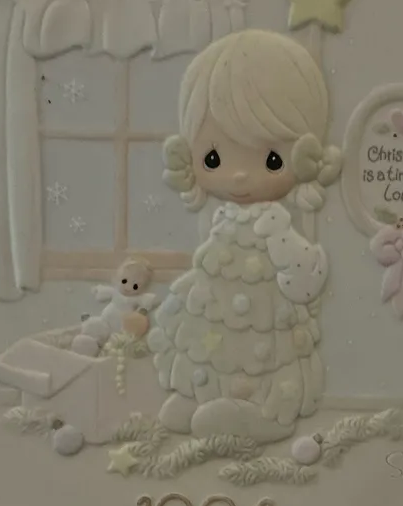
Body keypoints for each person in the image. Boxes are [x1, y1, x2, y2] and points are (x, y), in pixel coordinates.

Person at [147, 29, 342, 442]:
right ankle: (206, 394)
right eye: (213, 157)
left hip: (268, 314)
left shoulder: (274, 222)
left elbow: (303, 276)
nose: (237, 175)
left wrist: (291, 257)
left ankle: (267, 413)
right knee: (217, 342)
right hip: (224, 303)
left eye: (271, 159)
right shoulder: (225, 216)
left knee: (259, 350)